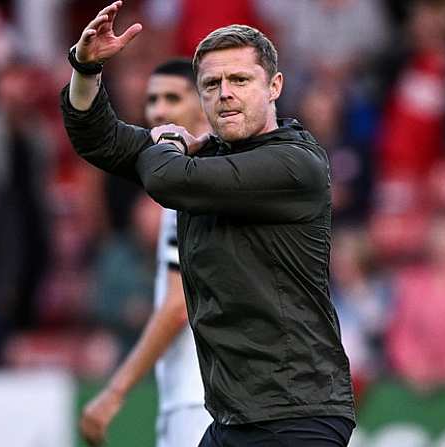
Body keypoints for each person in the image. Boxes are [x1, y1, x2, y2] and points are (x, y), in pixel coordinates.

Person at [61, 2, 356, 446]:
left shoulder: (295, 163)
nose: (225, 93)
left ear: (274, 86)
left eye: (240, 80)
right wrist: (86, 68)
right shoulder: (204, 158)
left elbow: (165, 178)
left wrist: (172, 139)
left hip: (298, 415)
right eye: (211, 84)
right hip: (232, 418)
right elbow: (99, 141)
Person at [79, 58, 213, 447]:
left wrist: (114, 391)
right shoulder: (216, 173)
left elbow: (176, 307)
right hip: (203, 394)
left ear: (203, 102)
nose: (158, 110)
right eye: (152, 99)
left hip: (196, 398)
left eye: (173, 97)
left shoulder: (189, 181)